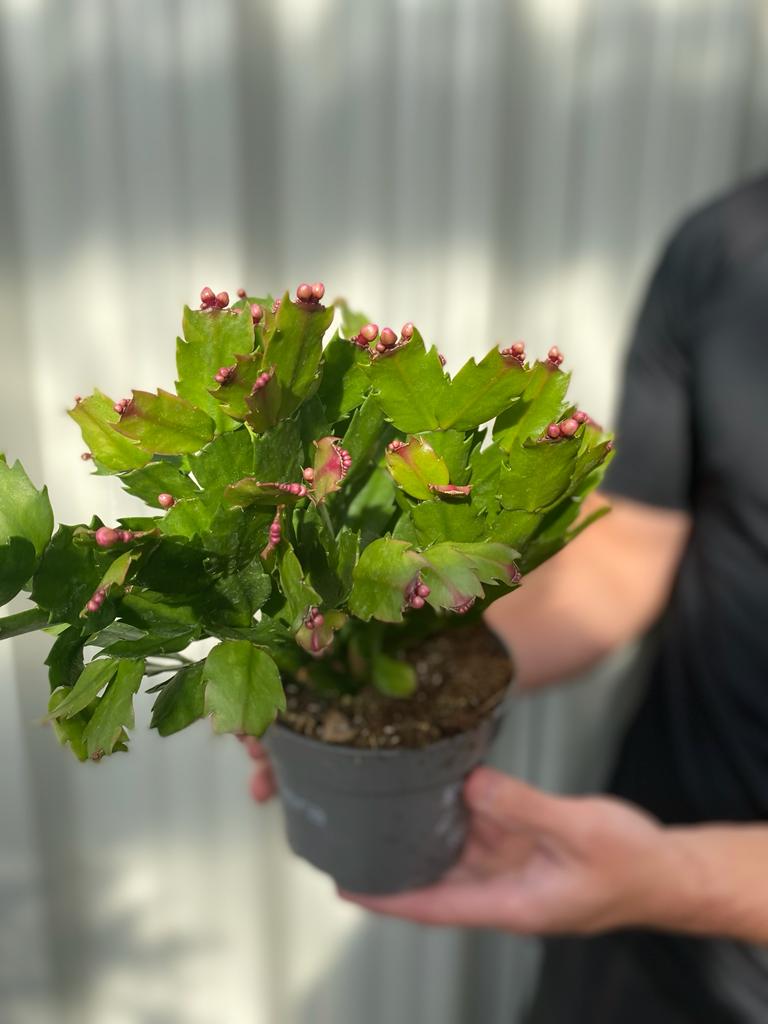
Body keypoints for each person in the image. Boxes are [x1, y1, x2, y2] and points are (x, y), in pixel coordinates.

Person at [243, 176, 768, 1022]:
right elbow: (630, 548)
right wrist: (373, 657)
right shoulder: (730, 245)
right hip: (634, 921)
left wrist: (674, 879)